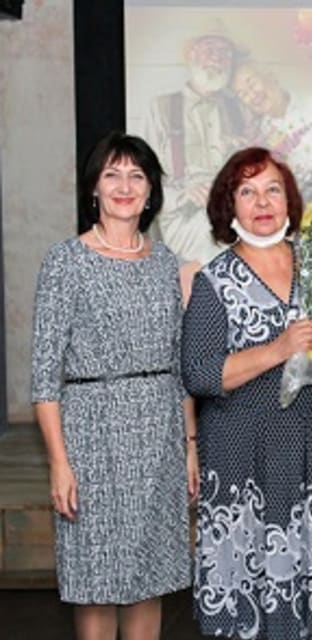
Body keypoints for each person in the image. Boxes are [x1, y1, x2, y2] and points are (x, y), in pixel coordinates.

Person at [181, 147, 312, 639]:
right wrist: (278, 349)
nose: (262, 202)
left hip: (311, 451)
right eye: (247, 191)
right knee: (252, 593)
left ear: (289, 200)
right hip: (244, 457)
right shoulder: (214, 281)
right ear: (229, 205)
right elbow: (199, 374)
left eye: (272, 190)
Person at [31, 131, 199, 640]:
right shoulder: (65, 261)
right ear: (94, 188)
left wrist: (190, 447)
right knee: (95, 581)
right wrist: (59, 462)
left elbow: (179, 365)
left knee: (151, 579)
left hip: (159, 437)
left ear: (151, 191)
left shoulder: (166, 262)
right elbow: (44, 376)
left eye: (136, 176)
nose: (124, 186)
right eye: (112, 175)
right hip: (92, 437)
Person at [144, 23, 247, 267]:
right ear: (191, 55)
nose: (217, 58)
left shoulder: (239, 110)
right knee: (216, 233)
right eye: (210, 49)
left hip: (235, 209)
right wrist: (184, 195)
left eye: (224, 52)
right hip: (183, 216)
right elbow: (144, 178)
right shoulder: (162, 108)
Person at [232, 61, 312, 204]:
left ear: (271, 76)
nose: (252, 95)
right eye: (243, 94)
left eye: (252, 83)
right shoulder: (263, 136)